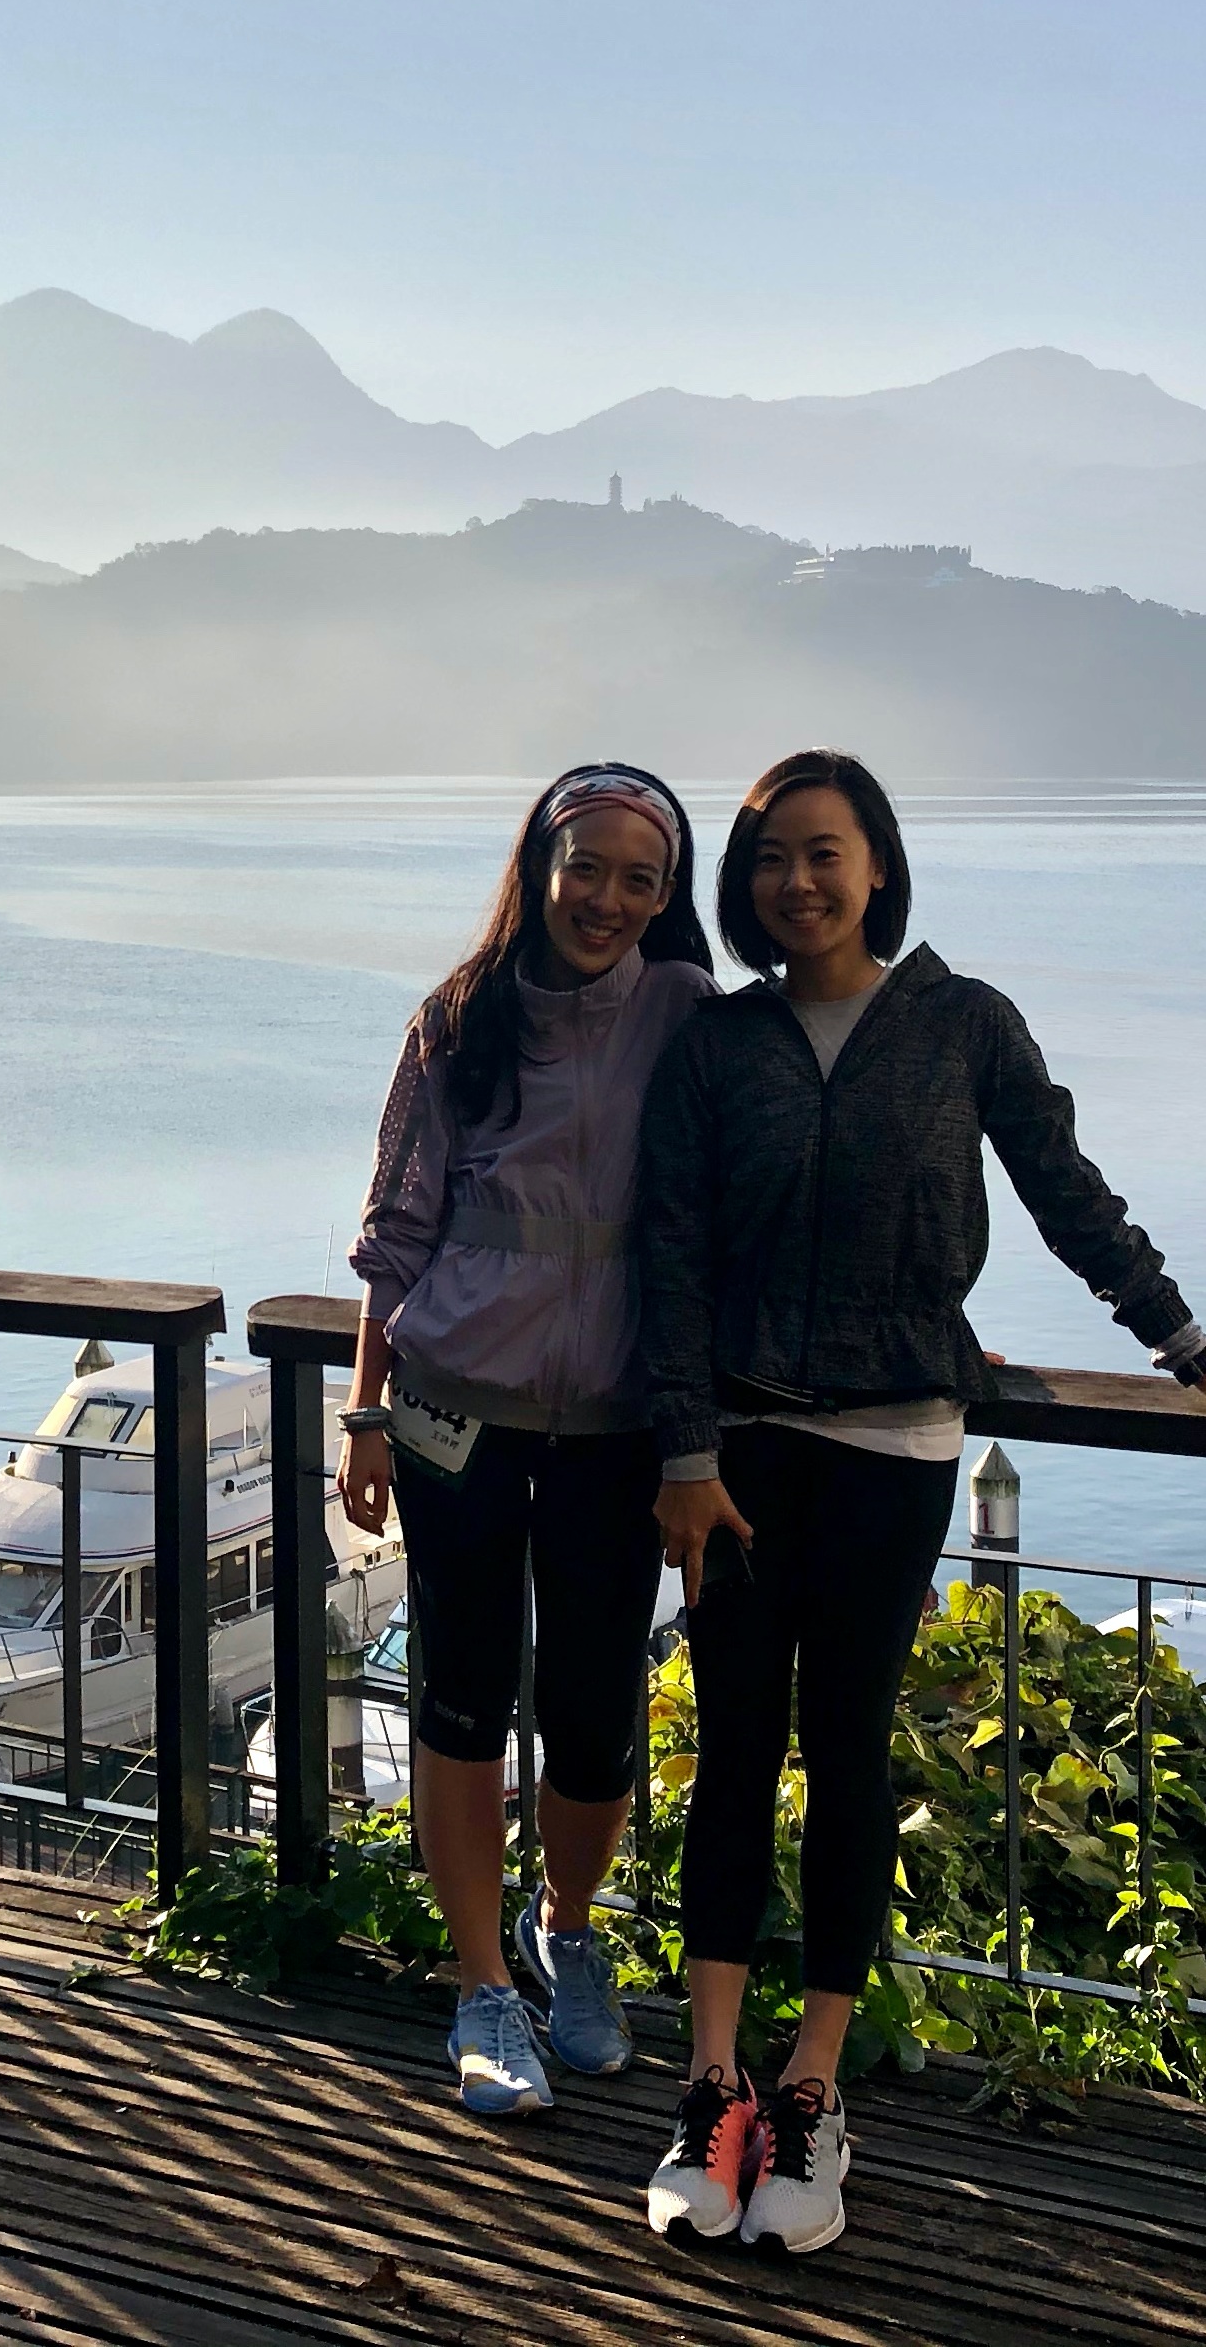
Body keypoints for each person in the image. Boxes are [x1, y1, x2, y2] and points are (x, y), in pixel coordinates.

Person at [630, 749, 1206, 2252]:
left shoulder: (963, 1025)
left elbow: (1068, 1194)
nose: (797, 882)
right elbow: (672, 1252)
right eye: (769, 859)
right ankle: (710, 2086)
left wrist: (1197, 1358)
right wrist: (685, 1457)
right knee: (735, 1757)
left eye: (824, 852)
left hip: (895, 1449)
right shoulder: (720, 1043)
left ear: (880, 865)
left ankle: (812, 2093)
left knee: (844, 1757)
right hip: (740, 1457)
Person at [339, 762, 716, 2116]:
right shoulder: (460, 1018)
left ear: (667, 896)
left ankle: (566, 1929)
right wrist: (366, 1413)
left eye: (639, 879)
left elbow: (743, 1209)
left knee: (596, 1708)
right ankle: (481, 1985)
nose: (607, 899)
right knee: (461, 1695)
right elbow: (396, 1231)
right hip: (458, 1411)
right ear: (539, 870)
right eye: (586, 868)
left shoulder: (691, 1017)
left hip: (618, 1424)